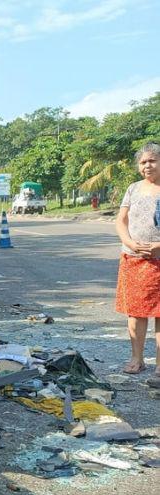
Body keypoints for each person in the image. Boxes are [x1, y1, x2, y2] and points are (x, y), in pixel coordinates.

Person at [115, 142, 160, 378]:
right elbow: (121, 221)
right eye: (143, 162)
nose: (147, 165)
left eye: (152, 160)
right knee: (136, 312)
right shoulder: (133, 189)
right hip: (133, 259)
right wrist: (130, 242)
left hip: (159, 260)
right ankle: (137, 359)